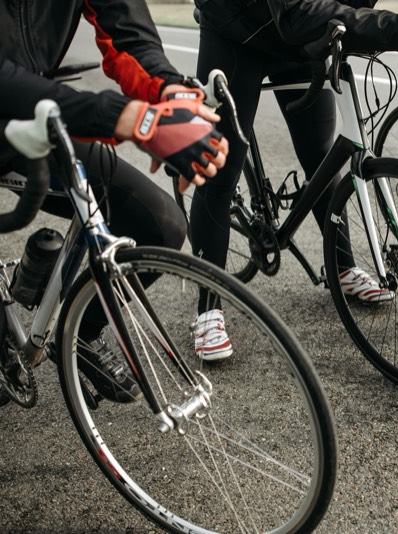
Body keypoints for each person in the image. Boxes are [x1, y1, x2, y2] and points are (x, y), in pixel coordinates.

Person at [189, 0, 398, 360]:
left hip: (306, 34)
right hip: (239, 28)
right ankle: (207, 307)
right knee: (219, 169)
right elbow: (292, 13)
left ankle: (343, 267)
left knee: (322, 154)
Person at [0, 0, 229, 402]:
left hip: (33, 118)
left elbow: (125, 28)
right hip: (19, 104)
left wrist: (168, 92)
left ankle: (80, 334)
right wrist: (129, 118)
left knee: (161, 224)